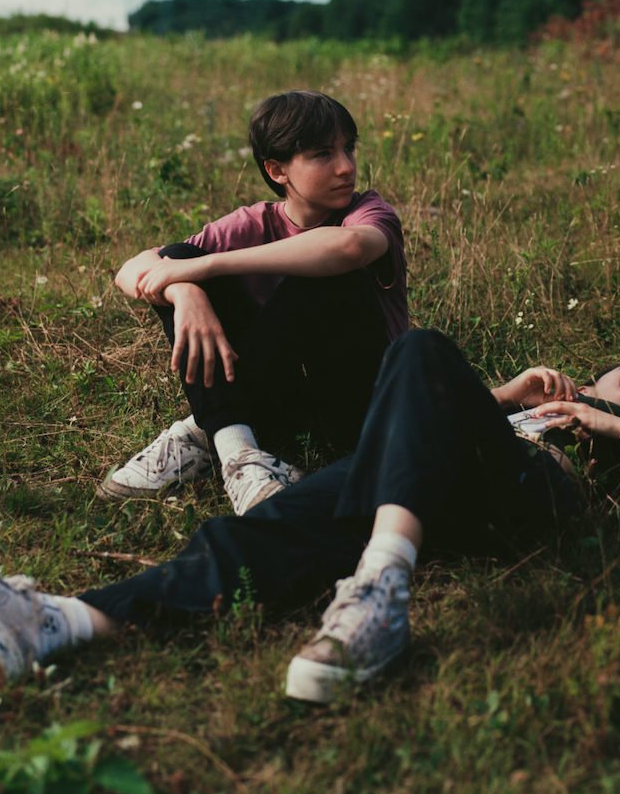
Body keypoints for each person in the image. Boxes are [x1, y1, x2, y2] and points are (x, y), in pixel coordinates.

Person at [0, 329, 620, 704]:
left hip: (527, 497)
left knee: (416, 349)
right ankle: (54, 623)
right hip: (426, 488)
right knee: (268, 529)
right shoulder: (534, 405)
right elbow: (421, 420)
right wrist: (512, 395)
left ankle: (380, 591)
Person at [98, 90, 407, 514]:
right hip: (283, 405)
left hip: (362, 404)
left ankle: (205, 431)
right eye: (322, 154)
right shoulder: (255, 222)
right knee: (179, 257)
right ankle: (238, 454)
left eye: (348, 148)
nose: (345, 166)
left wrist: (206, 269)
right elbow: (131, 270)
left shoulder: (369, 212)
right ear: (277, 170)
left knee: (311, 277)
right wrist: (184, 290)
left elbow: (350, 249)